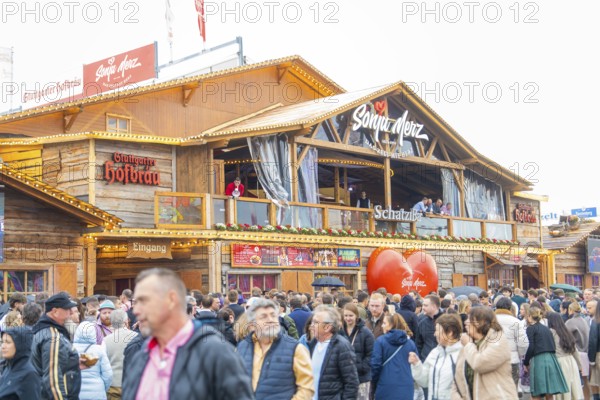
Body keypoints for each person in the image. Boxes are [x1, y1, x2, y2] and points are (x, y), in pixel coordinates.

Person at [121, 268, 253, 400]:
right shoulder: (140, 356)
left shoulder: (216, 354)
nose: (136, 310)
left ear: (171, 300)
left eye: (144, 301)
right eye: (135, 302)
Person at [236, 298, 314, 400]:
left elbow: (307, 388)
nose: (270, 320)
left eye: (273, 315)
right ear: (252, 325)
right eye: (263, 316)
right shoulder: (241, 347)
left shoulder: (296, 348)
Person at [451, 307, 518, 399]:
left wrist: (468, 345)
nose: (466, 322)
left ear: (481, 322)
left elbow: (480, 364)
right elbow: (457, 376)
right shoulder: (469, 343)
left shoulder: (498, 340)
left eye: (470, 319)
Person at [30, 293, 82, 400]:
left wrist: (74, 362)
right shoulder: (52, 336)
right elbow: (52, 379)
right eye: (67, 309)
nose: (70, 312)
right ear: (55, 311)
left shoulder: (44, 330)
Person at [309, 305, 359, 400]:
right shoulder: (313, 344)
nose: (311, 326)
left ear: (327, 327)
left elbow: (351, 383)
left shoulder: (342, 346)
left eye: (315, 322)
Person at [409, 314, 462, 400]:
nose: (434, 334)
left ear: (450, 333)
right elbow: (424, 381)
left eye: (437, 330)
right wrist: (416, 364)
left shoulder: (462, 355)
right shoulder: (435, 353)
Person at [524, 307, 569, 399]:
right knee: (550, 391)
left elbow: (531, 346)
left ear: (529, 316)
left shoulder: (530, 328)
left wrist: (526, 362)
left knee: (537, 391)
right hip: (551, 359)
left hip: (539, 359)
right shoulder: (546, 328)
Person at [371, 313, 417, 400]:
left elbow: (375, 365)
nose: (382, 326)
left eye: (384, 323)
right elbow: (415, 366)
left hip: (385, 385)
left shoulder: (380, 341)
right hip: (406, 386)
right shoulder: (410, 343)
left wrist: (373, 382)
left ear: (392, 325)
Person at [546, 312, 584, 400]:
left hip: (559, 362)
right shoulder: (566, 332)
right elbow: (575, 351)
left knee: (561, 391)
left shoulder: (551, 332)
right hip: (571, 362)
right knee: (571, 389)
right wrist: (580, 366)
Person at [340, 303, 374, 400]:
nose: (348, 318)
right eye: (346, 315)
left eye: (351, 315)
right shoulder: (340, 332)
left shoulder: (366, 332)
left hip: (361, 378)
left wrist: (360, 368)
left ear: (356, 316)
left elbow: (371, 354)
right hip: (345, 377)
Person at [73, 321, 113, 400]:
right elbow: (108, 375)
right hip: (97, 393)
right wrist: (102, 388)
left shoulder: (70, 349)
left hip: (76, 392)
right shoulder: (99, 350)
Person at [495, 297, 529, 390]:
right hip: (512, 359)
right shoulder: (516, 322)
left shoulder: (490, 321)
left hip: (494, 359)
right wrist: (520, 354)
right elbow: (523, 343)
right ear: (510, 308)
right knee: (512, 389)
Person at [0, 326, 41, 399]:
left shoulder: (29, 374)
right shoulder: (7, 368)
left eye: (8, 342)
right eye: (2, 342)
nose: (3, 346)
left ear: (20, 345)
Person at [105, 309, 136, 400]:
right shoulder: (136, 337)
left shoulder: (105, 340)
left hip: (113, 384)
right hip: (131, 382)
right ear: (126, 321)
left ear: (111, 322)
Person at [566, 302, 591, 399]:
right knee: (585, 380)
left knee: (574, 380)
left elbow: (565, 337)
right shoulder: (584, 320)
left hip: (576, 353)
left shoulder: (570, 322)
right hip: (585, 352)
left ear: (570, 310)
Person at [416, 295, 443, 362]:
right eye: (423, 305)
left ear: (433, 307)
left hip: (441, 361)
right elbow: (418, 343)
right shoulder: (421, 321)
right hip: (425, 360)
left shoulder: (446, 321)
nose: (423, 308)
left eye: (425, 305)